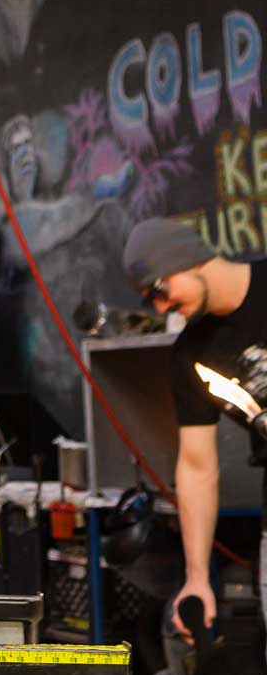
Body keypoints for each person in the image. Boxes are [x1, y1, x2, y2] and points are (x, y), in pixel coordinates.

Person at [123, 217, 264, 645]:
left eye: (160, 292)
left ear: (186, 261)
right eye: (151, 301)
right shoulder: (192, 356)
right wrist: (197, 578)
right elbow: (197, 467)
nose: (161, 308)